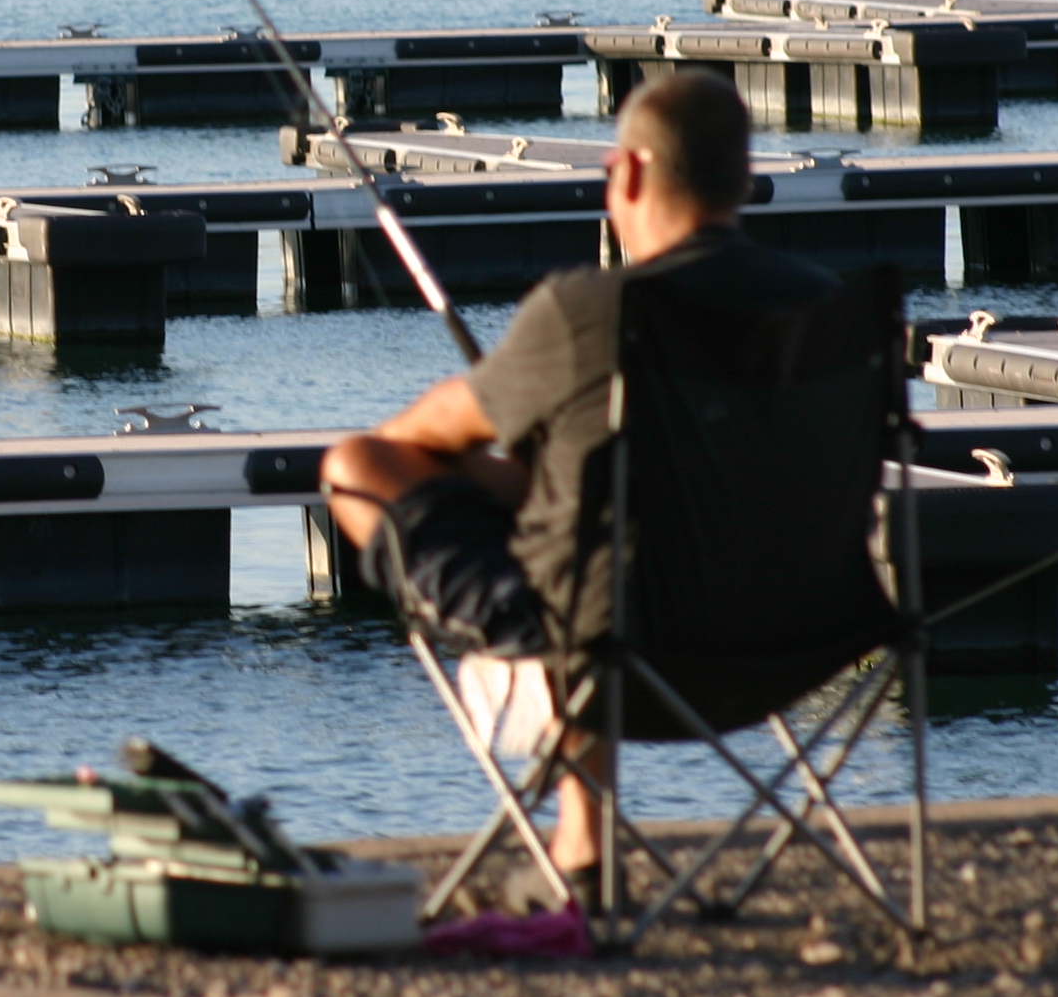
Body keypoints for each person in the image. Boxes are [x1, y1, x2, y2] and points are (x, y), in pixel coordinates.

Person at [321, 68, 835, 879]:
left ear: (626, 173)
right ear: (744, 180)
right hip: (800, 648)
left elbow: (406, 443)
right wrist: (558, 477)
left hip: (617, 654)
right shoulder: (828, 308)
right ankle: (581, 835)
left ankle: (564, 783)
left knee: (353, 468)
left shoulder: (585, 311)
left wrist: (528, 447)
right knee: (593, 528)